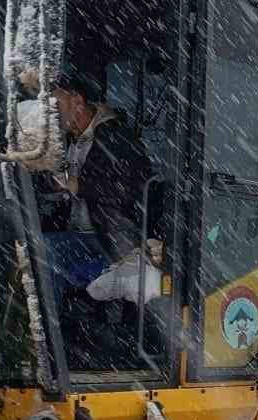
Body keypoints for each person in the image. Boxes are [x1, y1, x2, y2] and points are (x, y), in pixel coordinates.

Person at [42, 64, 160, 304]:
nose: (52, 115)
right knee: (32, 240)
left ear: (77, 101)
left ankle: (44, 332)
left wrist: (77, 185)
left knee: (44, 250)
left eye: (56, 106)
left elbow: (125, 188)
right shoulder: (71, 142)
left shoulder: (115, 136)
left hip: (110, 238)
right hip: (82, 234)